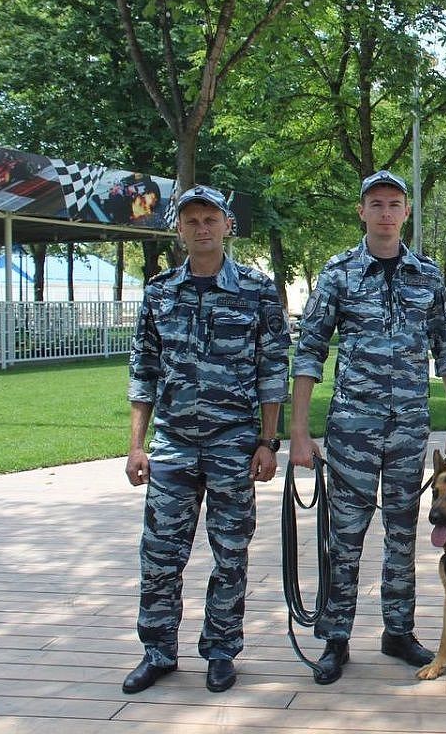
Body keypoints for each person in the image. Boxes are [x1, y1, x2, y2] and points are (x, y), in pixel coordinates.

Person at [289, 169, 446, 684]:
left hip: (408, 429)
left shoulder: (428, 276)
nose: (386, 213)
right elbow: (309, 352)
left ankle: (398, 631)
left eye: (395, 204)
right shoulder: (339, 273)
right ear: (361, 211)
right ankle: (336, 638)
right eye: (377, 204)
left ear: (406, 213)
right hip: (351, 430)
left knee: (402, 535)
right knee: (344, 537)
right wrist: (299, 432)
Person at [125, 184, 290, 694]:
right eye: (191, 220)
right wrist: (136, 444)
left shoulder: (259, 290)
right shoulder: (158, 293)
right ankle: (157, 651)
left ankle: (221, 649)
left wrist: (268, 441)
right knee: (160, 555)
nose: (202, 228)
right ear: (178, 228)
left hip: (233, 444)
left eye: (210, 219)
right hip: (173, 445)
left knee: (230, 554)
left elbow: (271, 371)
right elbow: (144, 371)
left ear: (227, 226)